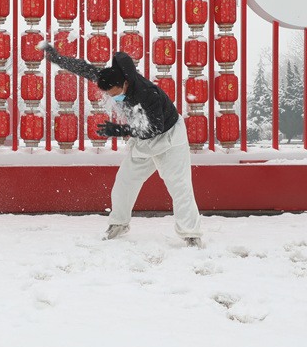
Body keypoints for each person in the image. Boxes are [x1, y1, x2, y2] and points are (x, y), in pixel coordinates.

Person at [44, 44, 204, 246]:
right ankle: (119, 224)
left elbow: (155, 128)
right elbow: (84, 68)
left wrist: (120, 130)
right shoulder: (111, 77)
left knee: (180, 187)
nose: (112, 97)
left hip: (169, 138)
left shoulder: (148, 93)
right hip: (144, 142)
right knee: (124, 182)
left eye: (114, 93)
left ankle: (191, 235)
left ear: (125, 84)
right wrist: (59, 59)